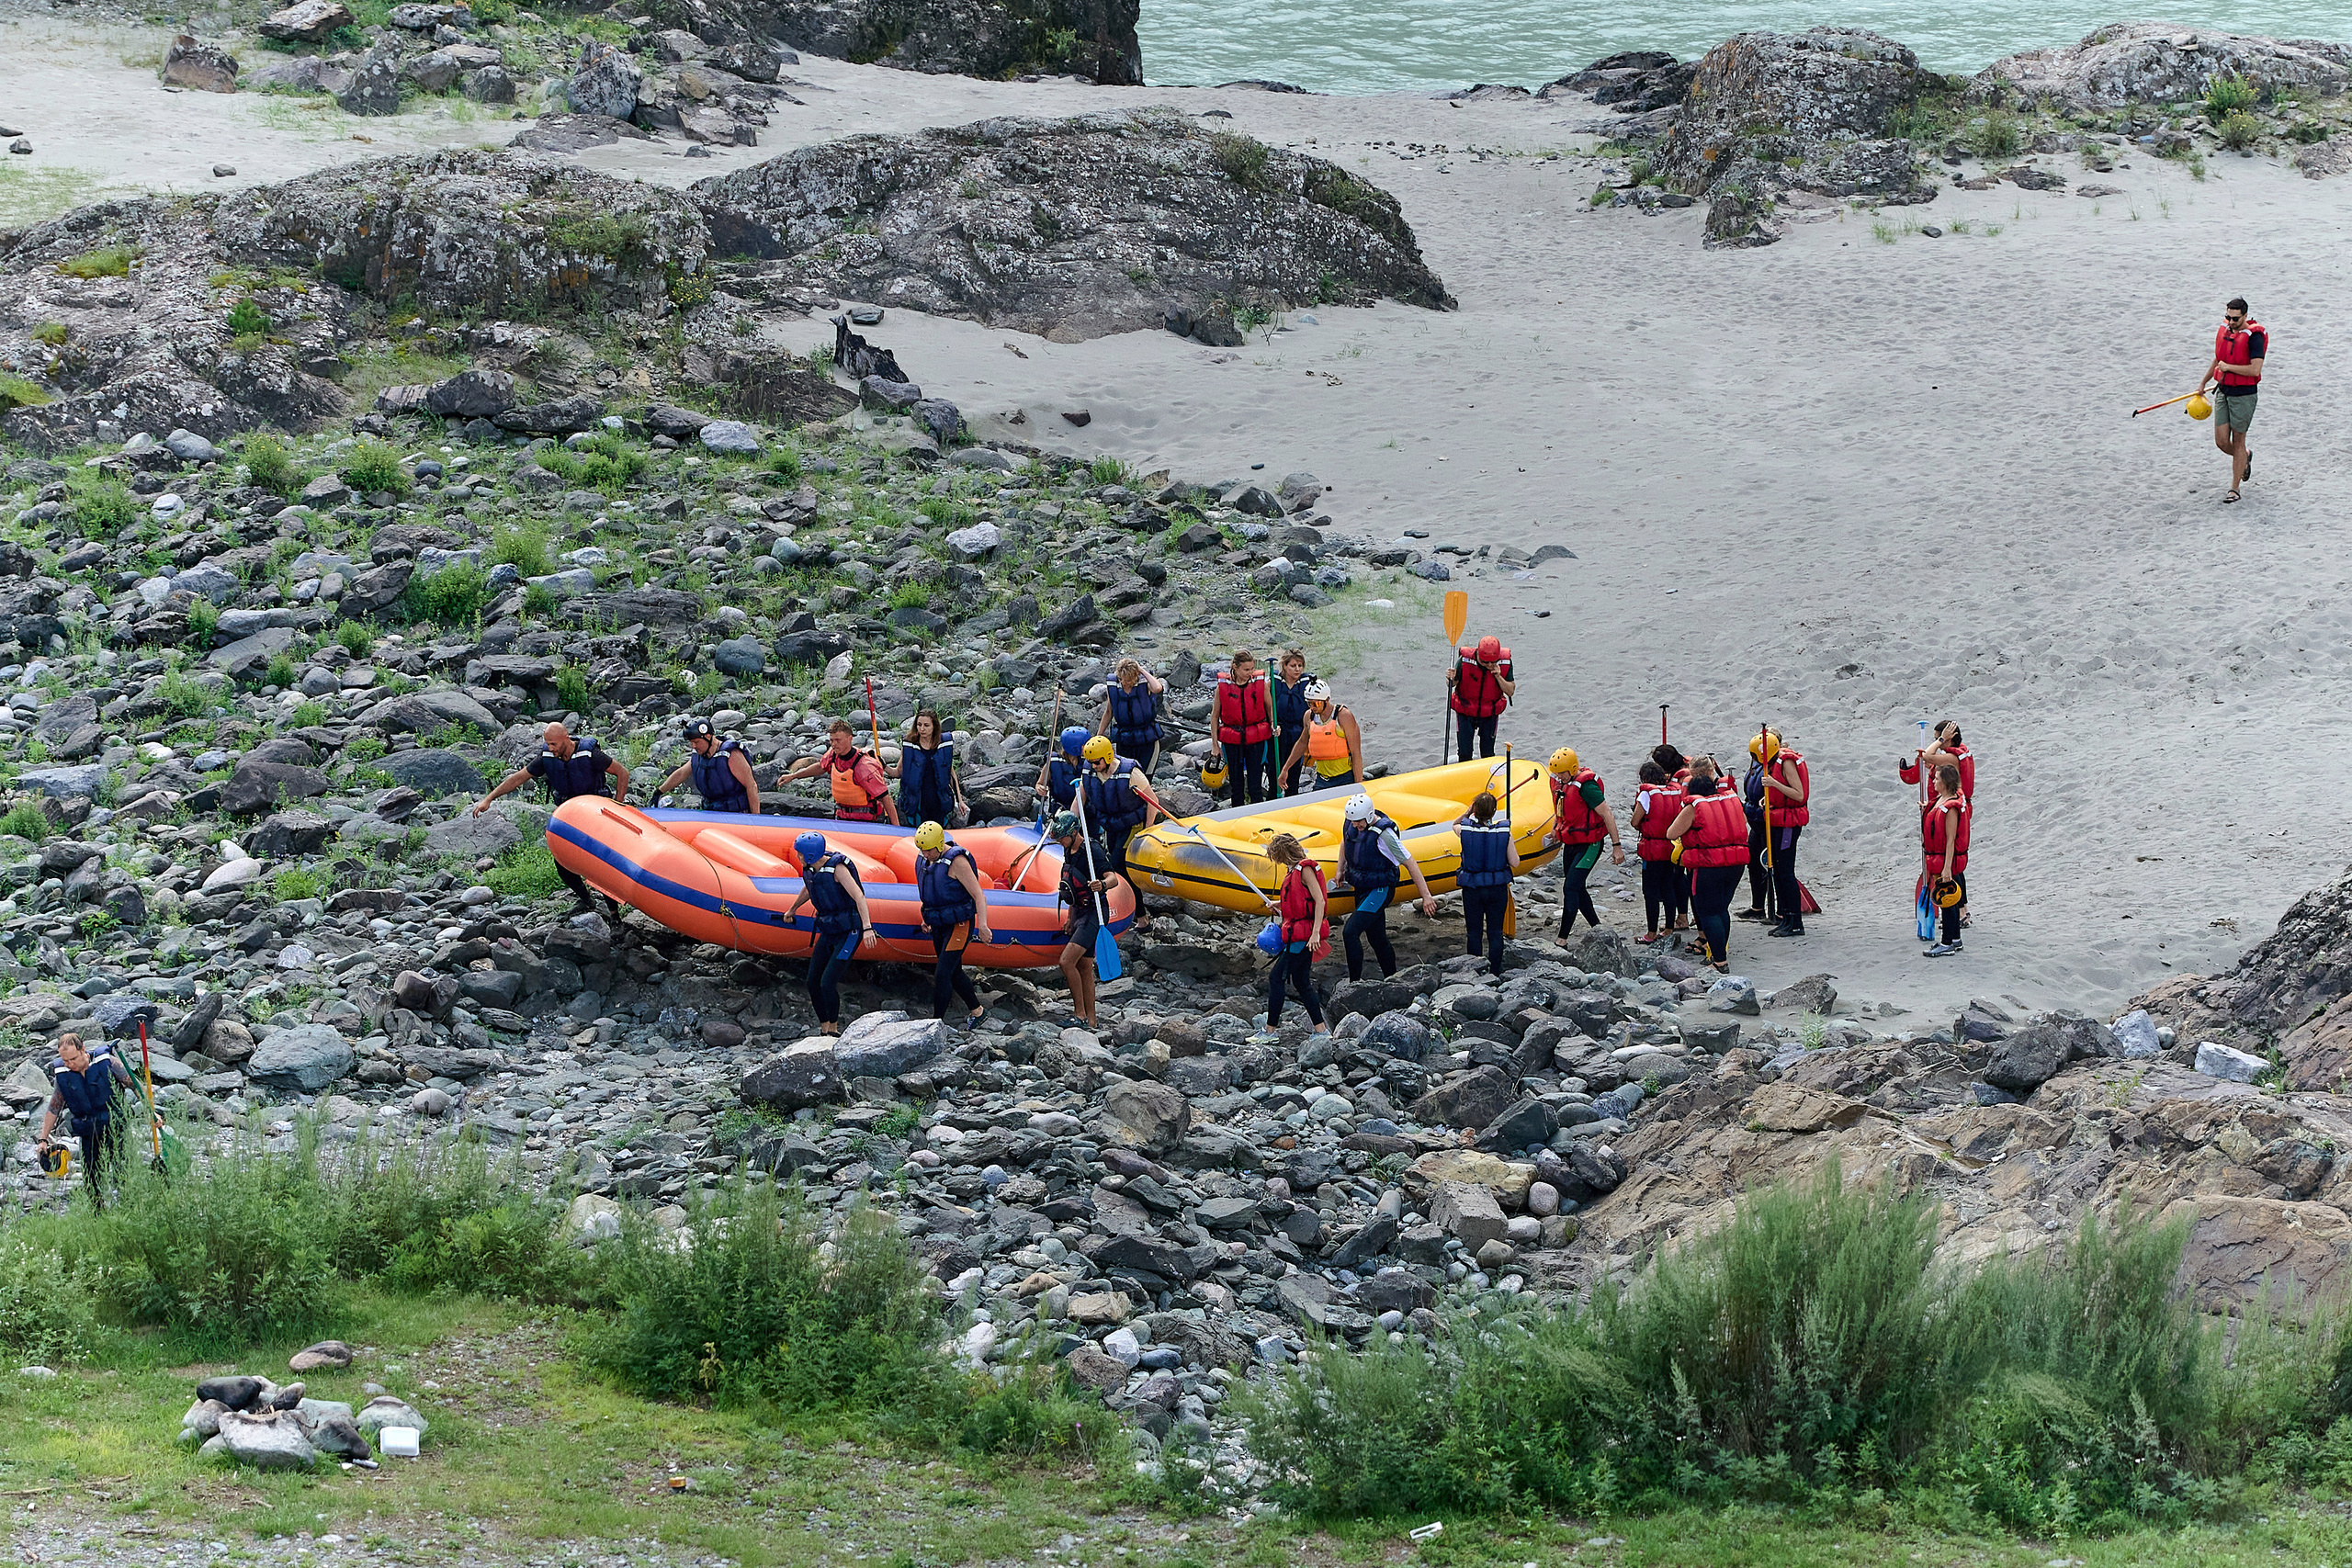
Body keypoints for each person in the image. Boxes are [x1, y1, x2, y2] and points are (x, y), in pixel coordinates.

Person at [474, 722, 630, 912]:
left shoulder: (590, 754)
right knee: (562, 865)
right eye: (548, 744)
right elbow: (517, 779)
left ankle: (614, 915)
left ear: (566, 738)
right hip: (570, 816)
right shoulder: (547, 757)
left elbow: (622, 772)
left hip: (596, 815)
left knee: (600, 867)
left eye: (554, 744)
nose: (551, 748)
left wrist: (618, 804)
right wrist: (489, 798)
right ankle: (586, 899)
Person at [1336, 792, 1437, 982]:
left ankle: (1354, 983)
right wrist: (1339, 869)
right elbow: (1345, 841)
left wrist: (1426, 896)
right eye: (1353, 823)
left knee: (1350, 932)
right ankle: (1392, 977)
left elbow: (1410, 862)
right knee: (1377, 938)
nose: (1356, 827)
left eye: (1359, 823)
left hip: (1380, 889)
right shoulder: (1353, 824)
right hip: (1362, 885)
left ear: (1368, 816)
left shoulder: (1385, 835)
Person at [783, 831, 872, 1035]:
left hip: (850, 931)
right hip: (829, 930)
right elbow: (809, 888)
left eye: (800, 854)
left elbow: (859, 896)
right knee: (812, 981)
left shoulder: (837, 869)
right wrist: (793, 909)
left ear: (811, 856)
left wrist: (867, 928)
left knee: (827, 982)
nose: (798, 857)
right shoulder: (812, 870)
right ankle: (824, 1028)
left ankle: (833, 1029)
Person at [1666, 760, 1749, 974]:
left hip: (1709, 865)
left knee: (1707, 911)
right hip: (1736, 862)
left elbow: (1671, 834)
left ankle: (1719, 961)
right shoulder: (1730, 800)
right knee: (1721, 909)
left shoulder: (1695, 806)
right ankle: (1720, 954)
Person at [37, 1032, 136, 1209]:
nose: (70, 1064)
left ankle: (128, 1210)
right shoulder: (64, 1074)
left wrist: (153, 1113)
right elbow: (54, 1107)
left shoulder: (108, 1062)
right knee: (91, 1177)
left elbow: (136, 1085)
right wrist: (43, 1139)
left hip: (115, 1125)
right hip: (88, 1130)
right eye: (65, 1060)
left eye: (73, 1059)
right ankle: (98, 1215)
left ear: (83, 1049)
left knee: (123, 1172)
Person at [913, 820, 990, 1027]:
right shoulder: (924, 861)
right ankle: (978, 1011)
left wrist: (982, 925)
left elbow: (978, 895)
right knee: (954, 971)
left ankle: (936, 1022)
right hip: (939, 923)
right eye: (922, 851)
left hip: (960, 923)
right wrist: (925, 918)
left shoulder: (957, 862)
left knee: (942, 973)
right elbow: (929, 894)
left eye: (928, 851)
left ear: (939, 845)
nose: (925, 855)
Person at [1900, 720, 1975, 926]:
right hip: (1953, 807)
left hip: (1955, 813)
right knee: (1953, 863)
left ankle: (1960, 912)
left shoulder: (1952, 756)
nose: (1936, 742)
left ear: (1949, 737)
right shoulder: (1952, 756)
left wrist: (1939, 742)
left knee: (1951, 863)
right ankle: (1963, 910)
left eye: (1938, 738)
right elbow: (1929, 760)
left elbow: (1926, 755)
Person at [1547, 747, 1625, 942]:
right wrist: (1556, 828)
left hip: (1590, 844)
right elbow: (1562, 811)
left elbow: (1607, 814)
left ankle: (1562, 938)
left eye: (1562, 773)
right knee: (1577, 887)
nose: (1559, 777)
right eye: (1557, 774)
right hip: (1572, 843)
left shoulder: (1587, 787)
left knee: (1570, 888)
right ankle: (1598, 928)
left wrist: (1617, 846)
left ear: (1573, 768)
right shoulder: (1561, 784)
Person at [1080, 736, 1162, 906]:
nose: (1093, 767)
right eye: (1091, 763)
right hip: (1111, 825)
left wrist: (1148, 831)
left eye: (1097, 763)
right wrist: (1073, 819)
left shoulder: (1131, 773)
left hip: (1132, 825)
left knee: (1118, 866)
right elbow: (1080, 797)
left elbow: (1153, 801)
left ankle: (1139, 915)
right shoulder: (1090, 770)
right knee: (1115, 865)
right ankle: (1125, 907)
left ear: (1108, 757)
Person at [2198, 297, 2265, 504]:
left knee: (2238, 440)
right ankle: (2244, 456)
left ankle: (2234, 488)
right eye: (2228, 317)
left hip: (2244, 395)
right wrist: (2203, 383)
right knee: (2221, 441)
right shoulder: (2227, 332)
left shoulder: (2255, 338)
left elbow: (2255, 369)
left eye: (2235, 319)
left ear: (2245, 316)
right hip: (2223, 391)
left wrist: (2229, 368)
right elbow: (2219, 358)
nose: (2231, 322)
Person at [1261, 832, 1329, 1037]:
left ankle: (1270, 1031)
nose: (1278, 861)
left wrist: (1315, 933)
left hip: (1304, 936)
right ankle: (1321, 1030)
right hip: (1297, 934)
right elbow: (1300, 898)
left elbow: (1320, 901)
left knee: (1276, 978)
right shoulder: (1293, 871)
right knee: (1301, 982)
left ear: (1284, 853)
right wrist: (1279, 904)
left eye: (1278, 856)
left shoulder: (1305, 869)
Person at [1050, 809, 1113, 1028]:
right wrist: (1069, 917)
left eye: (1062, 838)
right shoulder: (1069, 849)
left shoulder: (1092, 850)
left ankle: (1080, 1015)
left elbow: (1112, 877)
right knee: (1085, 966)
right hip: (1079, 913)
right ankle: (1092, 1020)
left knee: (1066, 961)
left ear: (1074, 832)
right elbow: (1070, 888)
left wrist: (1102, 885)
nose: (1060, 842)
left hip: (1095, 913)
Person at [779, 720, 899, 825]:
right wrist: (794, 776)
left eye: (838, 740)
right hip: (841, 816)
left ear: (850, 738)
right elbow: (821, 767)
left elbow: (885, 798)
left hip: (864, 821)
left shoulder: (863, 766)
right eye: (831, 740)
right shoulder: (833, 755)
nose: (834, 744)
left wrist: (896, 828)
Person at [1751, 729, 1809, 938]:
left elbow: (1799, 794)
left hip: (1788, 825)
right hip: (1778, 819)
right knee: (1775, 868)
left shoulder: (1786, 762)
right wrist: (1770, 800)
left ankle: (1795, 921)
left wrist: (1774, 784)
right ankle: (1785, 917)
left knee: (1785, 871)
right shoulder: (1774, 762)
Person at [1455, 790, 1521, 973]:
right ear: (1493, 812)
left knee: (1474, 933)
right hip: (1496, 888)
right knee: (1495, 932)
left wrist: (1468, 812)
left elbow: (1454, 824)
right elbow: (1515, 862)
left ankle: (1475, 970)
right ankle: (1496, 971)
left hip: (1472, 889)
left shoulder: (1465, 830)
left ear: (1475, 810)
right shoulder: (1504, 833)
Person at [1632, 761, 1688, 944]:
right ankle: (1669, 928)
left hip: (1653, 848)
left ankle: (1651, 933)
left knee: (1650, 891)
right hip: (1672, 846)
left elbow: (1634, 822)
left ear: (1645, 778)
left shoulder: (1647, 794)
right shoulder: (1675, 791)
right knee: (1668, 886)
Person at [1214, 649, 1276, 807]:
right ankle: (1238, 814)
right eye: (1246, 670)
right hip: (1232, 739)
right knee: (1236, 785)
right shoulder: (1222, 687)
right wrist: (1215, 745)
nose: (1250, 673)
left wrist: (1273, 725)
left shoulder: (1259, 684)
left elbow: (1270, 708)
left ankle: (1258, 814)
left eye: (1252, 669)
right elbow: (1214, 716)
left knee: (1255, 784)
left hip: (1256, 738)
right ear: (1235, 667)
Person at [660, 718, 759, 815]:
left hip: (736, 814)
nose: (693, 746)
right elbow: (681, 773)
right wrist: (659, 791)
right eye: (691, 742)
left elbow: (751, 785)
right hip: (711, 812)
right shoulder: (699, 756)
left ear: (708, 736)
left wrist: (756, 818)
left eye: (696, 742)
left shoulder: (731, 754)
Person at [1921, 765, 1970, 958]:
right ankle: (1955, 939)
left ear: (1945, 783)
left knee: (1947, 902)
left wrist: (1947, 868)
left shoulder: (1951, 809)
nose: (1933, 782)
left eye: (1937, 779)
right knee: (1950, 901)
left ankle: (1947, 942)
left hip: (1945, 861)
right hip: (1940, 859)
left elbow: (1950, 841)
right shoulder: (1943, 799)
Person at [1282, 680, 1365, 792]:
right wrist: (1286, 769)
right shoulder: (1309, 716)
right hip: (1322, 779)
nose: (1312, 707)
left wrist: (1358, 784)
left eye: (1316, 704)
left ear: (1327, 700)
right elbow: (1302, 743)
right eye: (1309, 703)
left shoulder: (1344, 716)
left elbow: (1356, 753)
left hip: (1345, 777)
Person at [895, 707, 966, 829]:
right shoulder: (910, 746)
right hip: (918, 802)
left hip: (938, 800)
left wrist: (960, 801)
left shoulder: (943, 746)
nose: (922, 729)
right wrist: (883, 766)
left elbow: (951, 775)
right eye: (919, 725)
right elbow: (897, 772)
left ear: (934, 726)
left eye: (926, 725)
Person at [1446, 635, 1514, 761]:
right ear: (1478, 655)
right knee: (1465, 753)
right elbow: (1452, 684)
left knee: (1488, 753)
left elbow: (1510, 691)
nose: (1489, 665)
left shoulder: (1505, 663)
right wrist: (1451, 677)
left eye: (1492, 662)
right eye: (1485, 662)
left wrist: (1498, 676)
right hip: (1465, 711)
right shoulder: (1464, 661)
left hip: (1489, 714)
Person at [1097, 659, 1167, 775]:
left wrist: (1142, 670)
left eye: (1129, 680)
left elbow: (1158, 688)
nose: (1125, 683)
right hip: (1125, 738)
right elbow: (1109, 712)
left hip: (1147, 738)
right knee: (1126, 775)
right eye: (1122, 680)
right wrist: (1099, 736)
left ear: (1136, 677)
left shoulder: (1145, 684)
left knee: (1145, 776)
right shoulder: (1114, 687)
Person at [1272, 649, 1312, 795]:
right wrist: (1272, 724)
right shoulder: (1274, 682)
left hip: (1298, 734)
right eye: (1293, 666)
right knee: (1274, 773)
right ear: (1284, 666)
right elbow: (1267, 706)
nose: (1298, 669)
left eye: (1300, 665)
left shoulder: (1307, 684)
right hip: (1278, 734)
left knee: (1293, 777)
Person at [1035, 725, 1091, 813]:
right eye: (1085, 745)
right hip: (1060, 808)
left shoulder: (1090, 762)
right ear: (1075, 748)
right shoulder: (1053, 762)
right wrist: (1040, 788)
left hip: (1085, 808)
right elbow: (1039, 784)